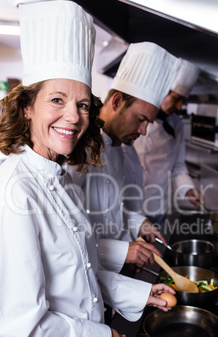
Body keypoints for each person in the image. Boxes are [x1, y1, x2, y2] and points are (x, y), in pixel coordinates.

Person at [0, 2, 175, 337]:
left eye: (81, 104)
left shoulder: (56, 177)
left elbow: (82, 271)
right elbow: (22, 330)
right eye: (57, 100)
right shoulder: (14, 191)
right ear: (27, 107)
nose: (75, 117)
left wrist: (141, 295)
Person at [70, 42, 180, 273]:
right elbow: (65, 234)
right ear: (117, 102)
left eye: (148, 122)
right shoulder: (77, 147)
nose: (143, 131)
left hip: (110, 270)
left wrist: (139, 223)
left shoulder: (117, 145)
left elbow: (106, 211)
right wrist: (124, 251)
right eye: (140, 119)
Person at [128, 59, 203, 223]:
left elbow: (178, 166)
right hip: (128, 207)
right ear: (162, 91)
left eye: (183, 101)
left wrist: (188, 189)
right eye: (176, 98)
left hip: (156, 208)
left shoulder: (177, 125)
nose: (179, 106)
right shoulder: (134, 118)